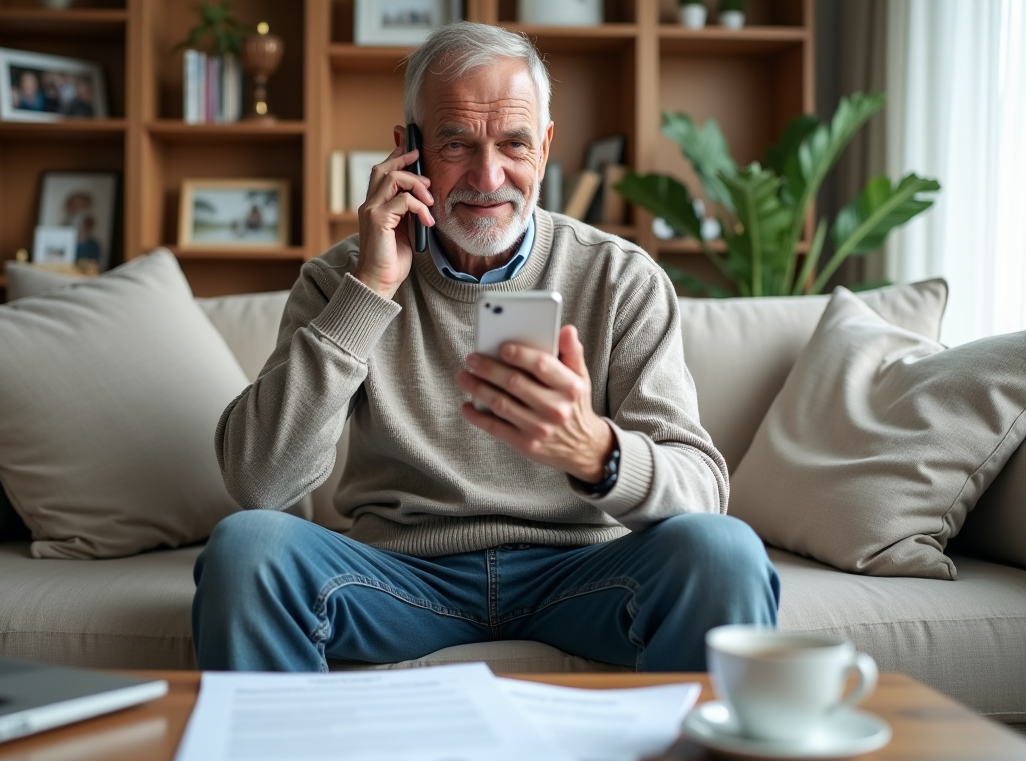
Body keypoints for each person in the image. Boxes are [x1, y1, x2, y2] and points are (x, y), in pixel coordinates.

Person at [193, 21, 779, 673]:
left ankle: (692, 748)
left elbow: (703, 493)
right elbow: (259, 483)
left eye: (513, 143)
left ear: (545, 148)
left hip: (583, 574)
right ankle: (278, 747)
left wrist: (596, 451)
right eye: (456, 143)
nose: (488, 175)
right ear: (408, 151)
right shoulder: (341, 281)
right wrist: (372, 289)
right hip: (401, 577)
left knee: (724, 554)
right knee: (246, 549)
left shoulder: (621, 278)